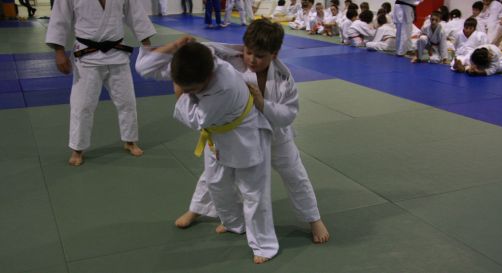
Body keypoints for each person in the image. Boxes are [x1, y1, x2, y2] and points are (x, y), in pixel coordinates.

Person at [174, 18, 330, 244]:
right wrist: (188, 49)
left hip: (275, 134)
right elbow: (205, 53)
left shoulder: (284, 79)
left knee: (295, 174)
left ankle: (313, 218)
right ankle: (197, 209)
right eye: (248, 52)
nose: (252, 59)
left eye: (260, 56)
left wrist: (263, 104)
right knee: (213, 173)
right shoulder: (231, 60)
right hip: (235, 132)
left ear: (274, 55)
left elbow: (289, 113)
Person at [136, 37, 278, 264]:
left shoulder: (225, 85)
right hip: (218, 135)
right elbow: (144, 68)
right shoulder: (193, 59)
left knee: (253, 192)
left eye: (192, 90)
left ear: (209, 76)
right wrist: (175, 47)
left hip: (245, 136)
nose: (188, 91)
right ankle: (234, 224)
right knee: (216, 182)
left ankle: (265, 245)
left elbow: (196, 118)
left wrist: (180, 91)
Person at [45, 0, 155, 166]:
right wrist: (59, 52)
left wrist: (146, 45)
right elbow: (60, 18)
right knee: (82, 105)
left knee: (127, 102)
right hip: (87, 56)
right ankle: (77, 148)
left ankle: (130, 140)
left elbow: (136, 13)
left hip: (117, 54)